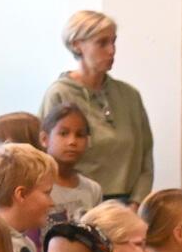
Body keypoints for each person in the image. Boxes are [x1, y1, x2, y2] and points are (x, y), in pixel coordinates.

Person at [40, 10, 154, 200]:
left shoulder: (129, 96)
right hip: (78, 202)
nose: (112, 50)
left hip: (126, 204)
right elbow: (44, 156)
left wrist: (136, 203)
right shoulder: (60, 93)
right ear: (77, 45)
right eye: (102, 43)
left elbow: (146, 157)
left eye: (113, 42)